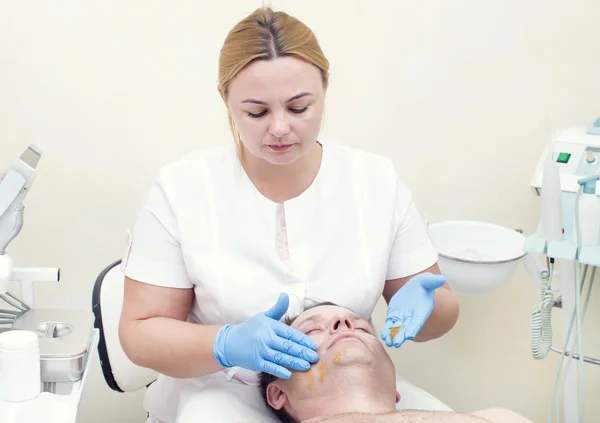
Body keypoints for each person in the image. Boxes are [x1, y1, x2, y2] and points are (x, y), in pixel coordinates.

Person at [118, 5, 460, 423]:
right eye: (257, 112)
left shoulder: (374, 182)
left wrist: (429, 310)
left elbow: (439, 312)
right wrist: (223, 343)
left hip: (352, 393)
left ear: (324, 91)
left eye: (299, 108)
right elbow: (139, 332)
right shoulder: (183, 189)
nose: (279, 128)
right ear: (225, 99)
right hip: (220, 393)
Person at [258, 303, 533, 423]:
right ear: (279, 394)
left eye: (362, 328)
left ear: (394, 387)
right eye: (311, 331)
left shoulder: (498, 418)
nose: (344, 324)